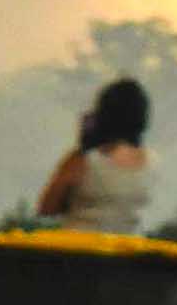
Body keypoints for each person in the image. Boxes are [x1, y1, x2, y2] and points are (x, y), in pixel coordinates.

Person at [35, 78, 153, 234]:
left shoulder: (83, 161)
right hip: (126, 250)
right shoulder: (151, 164)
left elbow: (47, 207)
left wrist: (83, 148)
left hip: (81, 250)